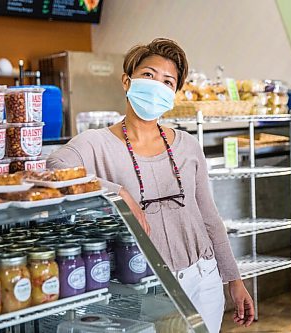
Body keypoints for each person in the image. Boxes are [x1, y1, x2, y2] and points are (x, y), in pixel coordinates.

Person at [47, 38, 254, 332]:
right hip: (144, 288)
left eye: (168, 82)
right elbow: (53, 167)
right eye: (148, 75)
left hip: (203, 277)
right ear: (126, 81)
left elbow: (209, 216)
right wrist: (117, 192)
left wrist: (234, 279)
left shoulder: (188, 145)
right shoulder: (96, 143)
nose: (157, 85)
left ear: (174, 94)